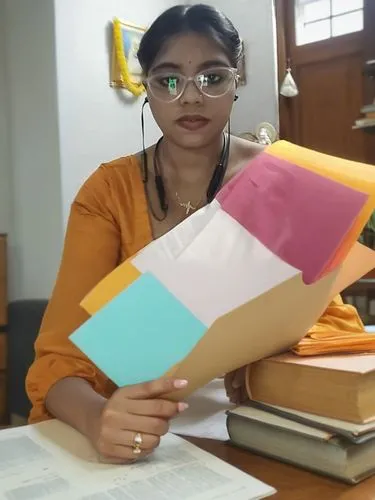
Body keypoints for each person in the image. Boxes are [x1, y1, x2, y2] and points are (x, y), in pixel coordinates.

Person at [26, 3, 365, 464]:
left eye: (212, 78)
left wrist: (257, 366)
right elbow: (60, 361)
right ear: (146, 86)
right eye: (168, 80)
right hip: (138, 428)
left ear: (237, 79)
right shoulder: (109, 193)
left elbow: (331, 329)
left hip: (264, 427)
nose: (190, 97)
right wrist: (98, 419)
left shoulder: (282, 181)